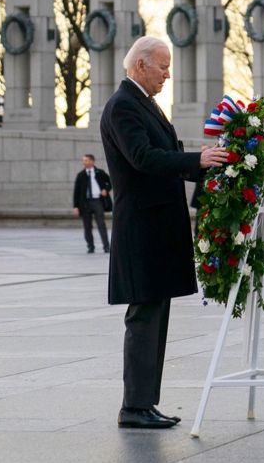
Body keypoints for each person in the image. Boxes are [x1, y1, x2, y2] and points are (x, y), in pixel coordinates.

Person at [100, 36, 228, 430]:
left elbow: (163, 153)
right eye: (163, 66)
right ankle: (134, 407)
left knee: (155, 318)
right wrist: (196, 159)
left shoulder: (142, 103)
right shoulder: (123, 106)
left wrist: (206, 164)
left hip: (155, 230)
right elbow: (144, 158)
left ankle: (144, 403)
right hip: (142, 232)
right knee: (143, 319)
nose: (168, 74)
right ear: (140, 65)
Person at [72, 153, 112, 254]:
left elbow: (110, 182)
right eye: (83, 160)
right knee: (87, 226)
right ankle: (90, 246)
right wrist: (75, 206)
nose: (84, 162)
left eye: (86, 160)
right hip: (85, 203)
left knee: (101, 224)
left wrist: (106, 189)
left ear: (92, 161)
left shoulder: (100, 173)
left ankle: (106, 246)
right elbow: (76, 192)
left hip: (97, 201)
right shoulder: (81, 175)